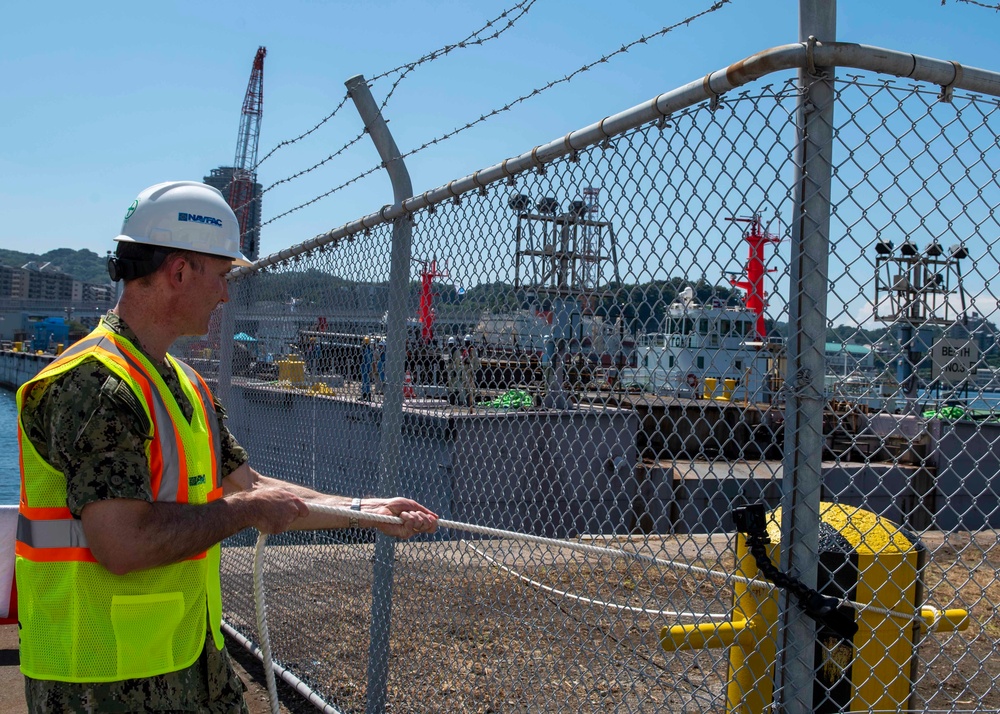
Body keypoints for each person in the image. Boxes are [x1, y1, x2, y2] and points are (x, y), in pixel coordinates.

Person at [14, 181, 438, 714]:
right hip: (99, 681)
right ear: (179, 271)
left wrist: (365, 512)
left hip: (186, 659)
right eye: (221, 275)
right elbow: (122, 544)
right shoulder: (96, 386)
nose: (224, 294)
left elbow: (255, 487)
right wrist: (244, 512)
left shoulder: (184, 384)